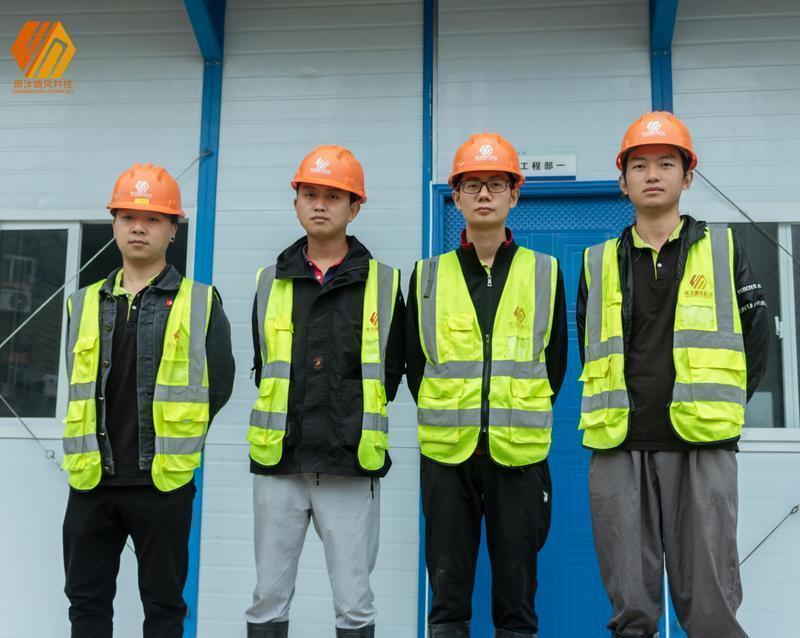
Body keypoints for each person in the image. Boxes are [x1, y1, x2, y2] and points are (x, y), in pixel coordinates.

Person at [577, 111, 769, 638]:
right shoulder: (596, 262)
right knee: (630, 610)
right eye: (639, 165)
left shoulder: (724, 249)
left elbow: (755, 341)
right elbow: (587, 347)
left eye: (666, 163)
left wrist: (721, 406)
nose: (652, 174)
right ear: (623, 181)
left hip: (702, 445)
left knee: (711, 607)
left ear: (687, 177)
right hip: (619, 445)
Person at [62, 162, 235, 637]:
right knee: (86, 603)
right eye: (128, 217)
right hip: (91, 481)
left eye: (153, 218)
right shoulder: (83, 302)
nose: (138, 227)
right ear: (114, 224)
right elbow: (76, 382)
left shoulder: (200, 302)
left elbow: (218, 386)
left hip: (161, 483)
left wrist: (177, 434)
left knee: (163, 607)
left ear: (173, 229)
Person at [406, 132, 568, 638]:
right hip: (447, 458)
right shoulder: (427, 276)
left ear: (514, 195)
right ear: (455, 196)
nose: (483, 194)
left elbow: (555, 365)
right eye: (471, 185)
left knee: (517, 602)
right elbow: (415, 365)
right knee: (448, 601)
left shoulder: (545, 272)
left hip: (518, 457)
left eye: (495, 184)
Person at [244, 145, 405, 638]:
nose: (319, 204)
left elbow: (395, 368)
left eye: (333, 196)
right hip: (282, 459)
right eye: (310, 194)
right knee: (267, 598)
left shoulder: (383, 283)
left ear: (354, 208)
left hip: (349, 460)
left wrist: (349, 413)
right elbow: (263, 365)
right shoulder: (269, 282)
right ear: (296, 202)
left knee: (354, 603)